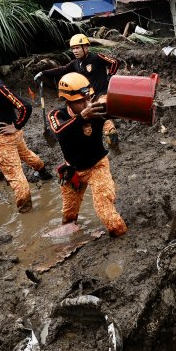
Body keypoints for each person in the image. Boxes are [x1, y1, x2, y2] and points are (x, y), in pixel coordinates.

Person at [0, 56, 52, 213]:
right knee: (27, 155)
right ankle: (44, 173)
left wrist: (17, 125)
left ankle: (26, 212)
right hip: (12, 136)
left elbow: (25, 106)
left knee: (16, 177)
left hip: (3, 139)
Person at [48, 72, 128, 237]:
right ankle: (72, 238)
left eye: (88, 98)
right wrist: (81, 118)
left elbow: (126, 109)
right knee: (68, 215)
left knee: (108, 215)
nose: (87, 104)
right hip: (72, 170)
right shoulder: (57, 115)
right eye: (80, 101)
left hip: (97, 166)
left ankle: (121, 238)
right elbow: (59, 133)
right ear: (68, 102)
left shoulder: (97, 110)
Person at [35, 33, 120, 148]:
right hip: (87, 97)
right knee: (85, 121)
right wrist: (43, 73)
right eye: (73, 49)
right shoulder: (75, 63)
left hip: (102, 94)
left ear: (86, 47)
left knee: (102, 118)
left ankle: (114, 146)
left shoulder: (96, 57)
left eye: (77, 48)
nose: (75, 51)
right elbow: (62, 69)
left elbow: (114, 62)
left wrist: (110, 76)